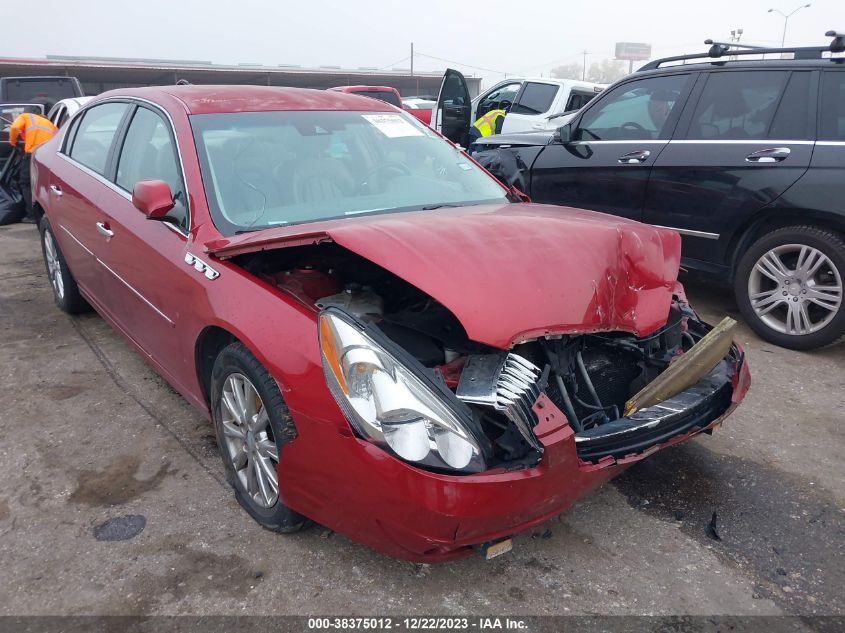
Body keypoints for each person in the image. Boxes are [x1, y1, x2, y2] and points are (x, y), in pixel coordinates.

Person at [8, 112, 58, 223]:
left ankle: (31, 215)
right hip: (50, 155)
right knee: (44, 184)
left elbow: (15, 127)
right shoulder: (51, 125)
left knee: (26, 183)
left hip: (33, 153)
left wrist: (13, 142)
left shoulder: (25, 116)